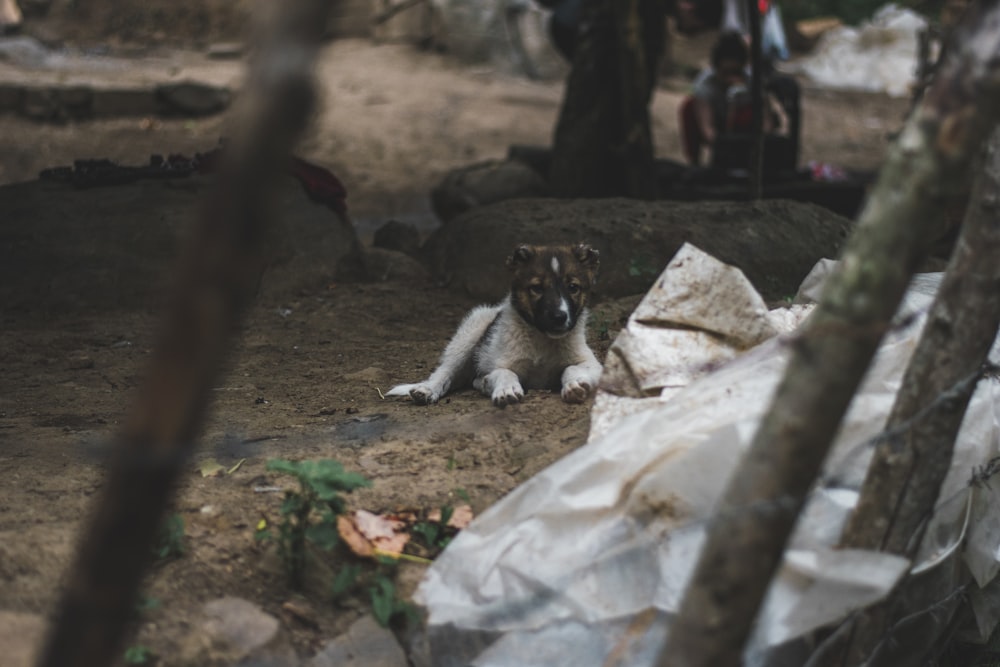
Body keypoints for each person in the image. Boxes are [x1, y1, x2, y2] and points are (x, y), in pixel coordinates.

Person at [679, 31, 790, 167]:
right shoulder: (704, 86)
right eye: (725, 73)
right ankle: (694, 164)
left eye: (736, 72)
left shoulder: (752, 83)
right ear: (716, 68)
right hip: (718, 126)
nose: (730, 79)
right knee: (688, 107)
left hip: (744, 131)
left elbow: (766, 121)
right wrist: (723, 143)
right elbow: (707, 131)